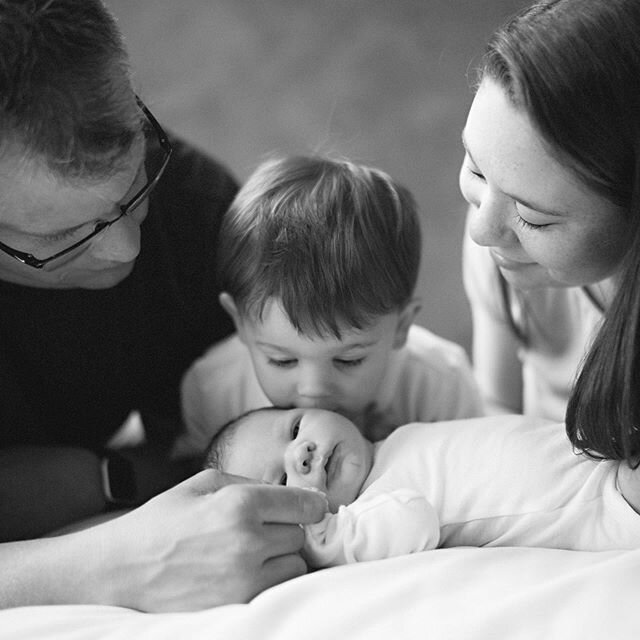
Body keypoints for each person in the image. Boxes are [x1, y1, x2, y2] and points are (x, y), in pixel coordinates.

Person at [0, 0, 326, 612]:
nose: (126, 247)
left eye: (130, 189)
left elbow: (202, 455)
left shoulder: (192, 207)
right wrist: (109, 563)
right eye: (59, 239)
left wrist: (98, 479)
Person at [176, 155, 483, 457]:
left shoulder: (440, 385)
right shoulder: (213, 391)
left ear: (402, 326)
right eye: (282, 360)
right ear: (240, 322)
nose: (314, 390)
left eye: (349, 360)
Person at [459, 0, 640, 437]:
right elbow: (497, 408)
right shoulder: (501, 245)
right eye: (476, 169)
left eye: (533, 218)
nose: (482, 230)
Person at [203, 406, 640, 568]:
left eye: (295, 426)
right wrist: (320, 536)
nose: (300, 452)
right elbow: (414, 518)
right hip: (602, 503)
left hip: (596, 451)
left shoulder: (392, 442)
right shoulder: (363, 516)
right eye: (282, 480)